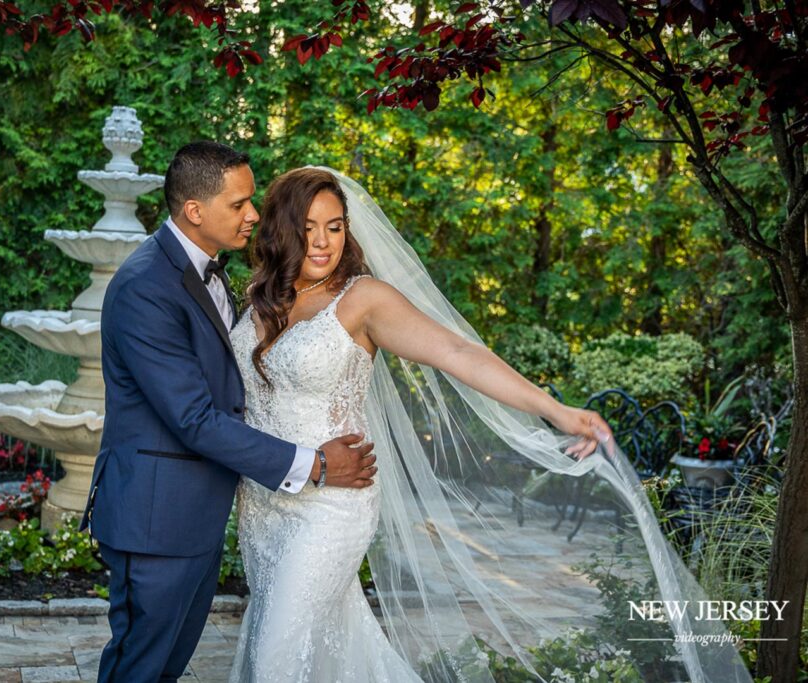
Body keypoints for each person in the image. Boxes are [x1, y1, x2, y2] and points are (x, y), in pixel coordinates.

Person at [227, 167, 753, 682]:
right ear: (281, 229)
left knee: (279, 651)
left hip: (333, 506)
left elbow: (458, 352)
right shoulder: (257, 298)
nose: (323, 242)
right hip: (267, 503)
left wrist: (557, 410)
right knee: (319, 646)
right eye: (308, 226)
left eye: (335, 226)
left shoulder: (362, 299)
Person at [81, 144, 378, 683]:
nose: (254, 216)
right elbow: (193, 418)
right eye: (240, 203)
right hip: (156, 520)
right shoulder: (146, 286)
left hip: (194, 516)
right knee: (139, 668)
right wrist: (313, 464)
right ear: (195, 210)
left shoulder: (212, 275)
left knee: (163, 667)